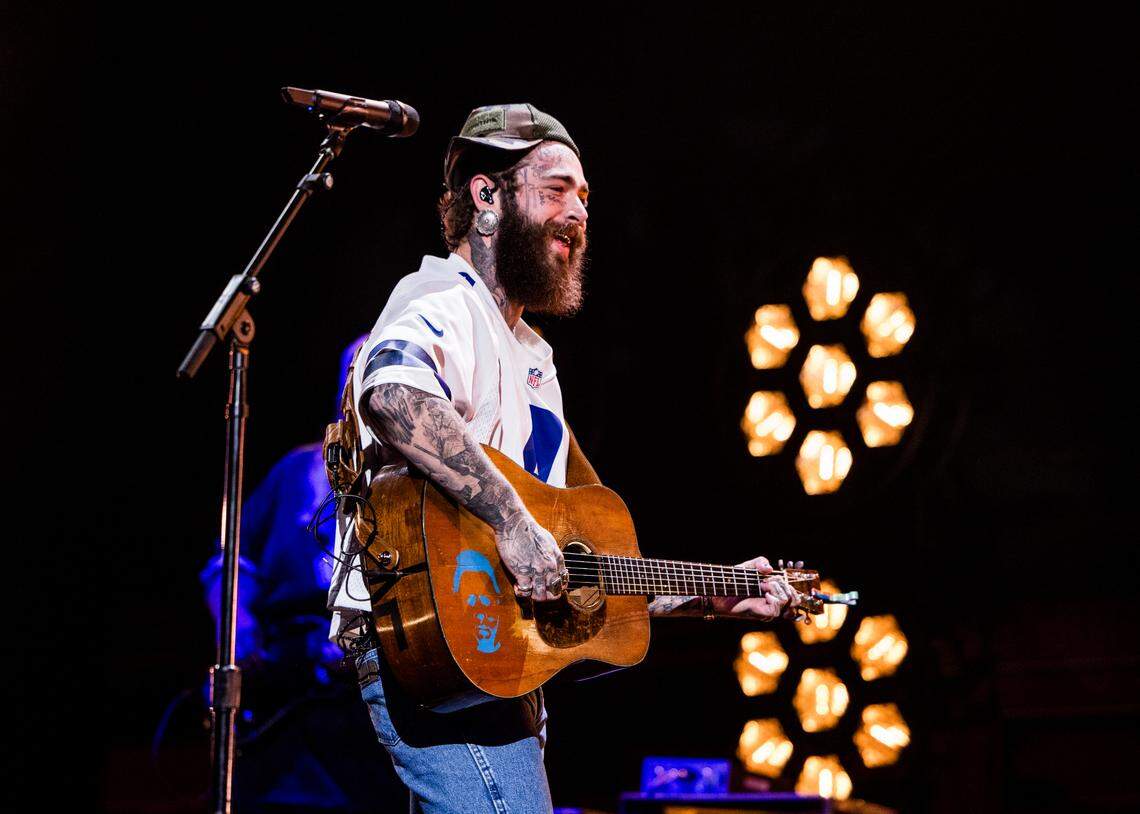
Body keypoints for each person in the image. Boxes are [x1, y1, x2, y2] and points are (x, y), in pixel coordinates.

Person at [327, 103, 800, 814]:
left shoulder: (534, 358)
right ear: (487, 198)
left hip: (492, 664)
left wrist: (713, 590)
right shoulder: (441, 298)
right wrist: (515, 525)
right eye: (555, 189)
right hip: (434, 646)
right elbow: (392, 393)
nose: (578, 212)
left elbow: (572, 563)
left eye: (584, 197)